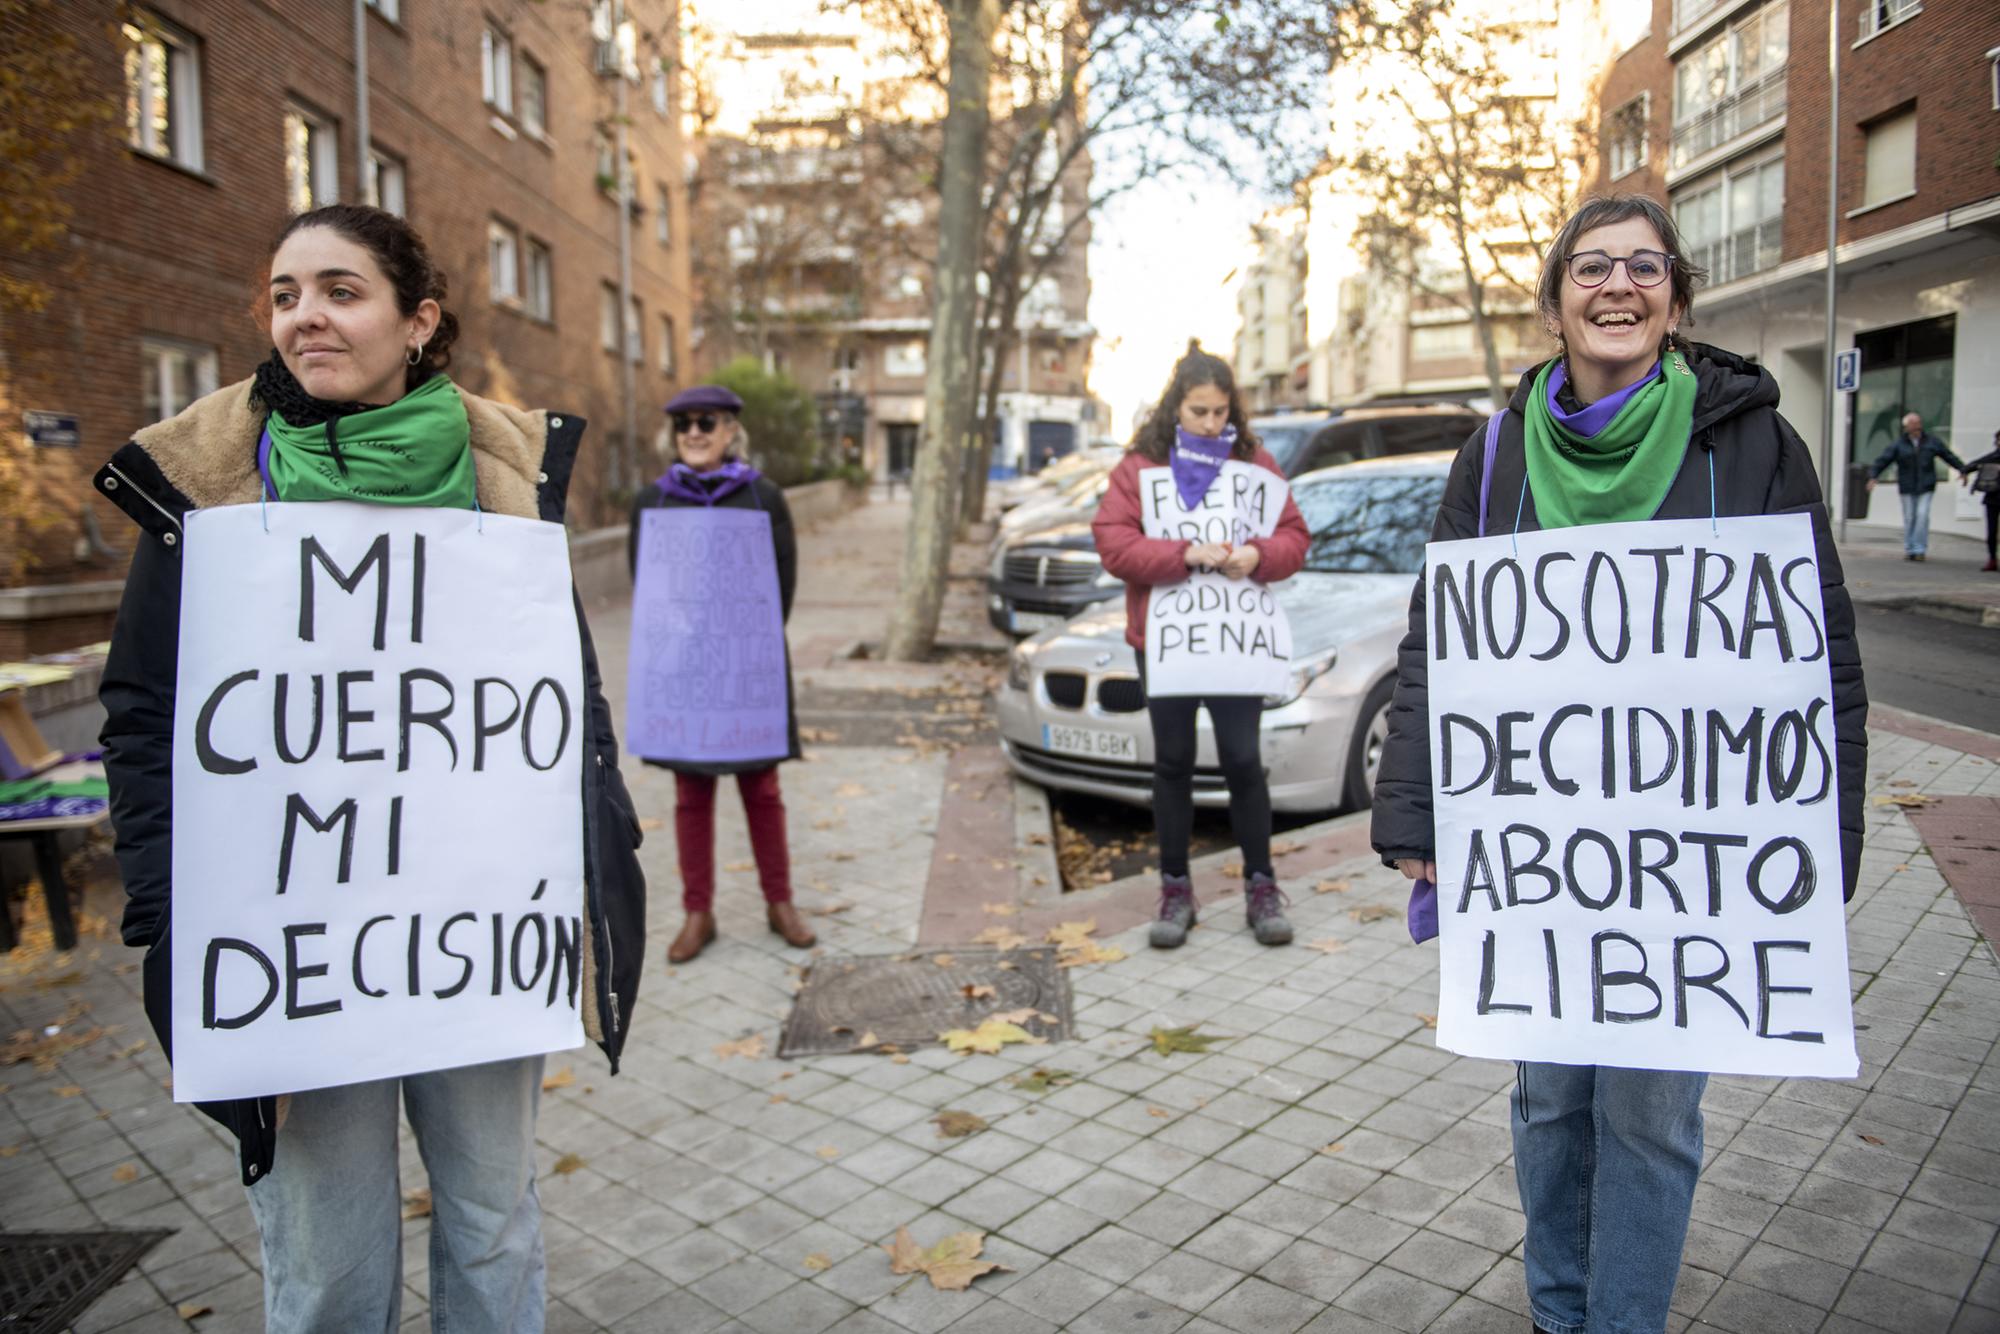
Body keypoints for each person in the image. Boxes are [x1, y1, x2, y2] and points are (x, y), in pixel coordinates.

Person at [94, 204, 647, 1333]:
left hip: (470, 938)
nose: (306, 317)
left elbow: (559, 697)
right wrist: (166, 911)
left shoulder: (502, 474)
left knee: (492, 1226)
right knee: (326, 1261)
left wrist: (595, 854)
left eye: (340, 291)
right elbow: (144, 713)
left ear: (417, 320)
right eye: (286, 293)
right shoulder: (203, 489)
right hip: (291, 951)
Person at [1370, 194, 1867, 1334]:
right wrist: (1415, 822)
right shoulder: (1492, 457)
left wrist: (1815, 844)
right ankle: (1556, 1311)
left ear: (1676, 302)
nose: (1617, 284)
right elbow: (1436, 642)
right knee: (1547, 1101)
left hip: (1686, 866)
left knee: (1647, 1114)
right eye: (1590, 265)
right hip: (1542, 858)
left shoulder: (1751, 443)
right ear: (1554, 304)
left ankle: (1622, 1319)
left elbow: (1818, 650)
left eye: (1644, 266)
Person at [1092, 342, 1311, 949]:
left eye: (1220, 412)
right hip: (1167, 640)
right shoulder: (1141, 467)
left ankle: (1262, 888)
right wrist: (1182, 554)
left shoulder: (1255, 462)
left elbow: (1294, 537)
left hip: (1234, 640)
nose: (1212, 424)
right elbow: (1112, 543)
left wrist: (1258, 555)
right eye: (1199, 413)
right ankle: (1175, 890)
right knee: (1173, 762)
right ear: (1175, 409)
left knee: (1243, 760)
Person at [628, 385, 814, 964]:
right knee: (691, 793)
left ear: (731, 428)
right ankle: (697, 912)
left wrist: (739, 645)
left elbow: (780, 587)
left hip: (748, 666)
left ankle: (779, 902)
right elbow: (649, 590)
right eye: (683, 423)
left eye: (706, 421)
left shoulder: (763, 498)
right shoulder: (652, 504)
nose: (694, 432)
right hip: (684, 673)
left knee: (763, 789)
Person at [1867, 410, 1967, 560]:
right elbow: (1884, 460)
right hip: (1907, 486)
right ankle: (1910, 548)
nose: (1916, 427)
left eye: (1918, 424)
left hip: (1926, 485)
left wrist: (1962, 469)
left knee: (1922, 515)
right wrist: (1873, 476)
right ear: (1906, 427)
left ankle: (1919, 549)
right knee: (1909, 517)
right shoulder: (1899, 444)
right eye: (1912, 425)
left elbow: (1948, 455)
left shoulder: (1931, 442)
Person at [1965, 428, 2000, 572]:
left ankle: (1992, 559)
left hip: (1992, 498)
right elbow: (1973, 464)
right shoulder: (1993, 456)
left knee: (1992, 531)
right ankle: (1992, 559)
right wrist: (1964, 471)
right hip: (1992, 498)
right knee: (1991, 531)